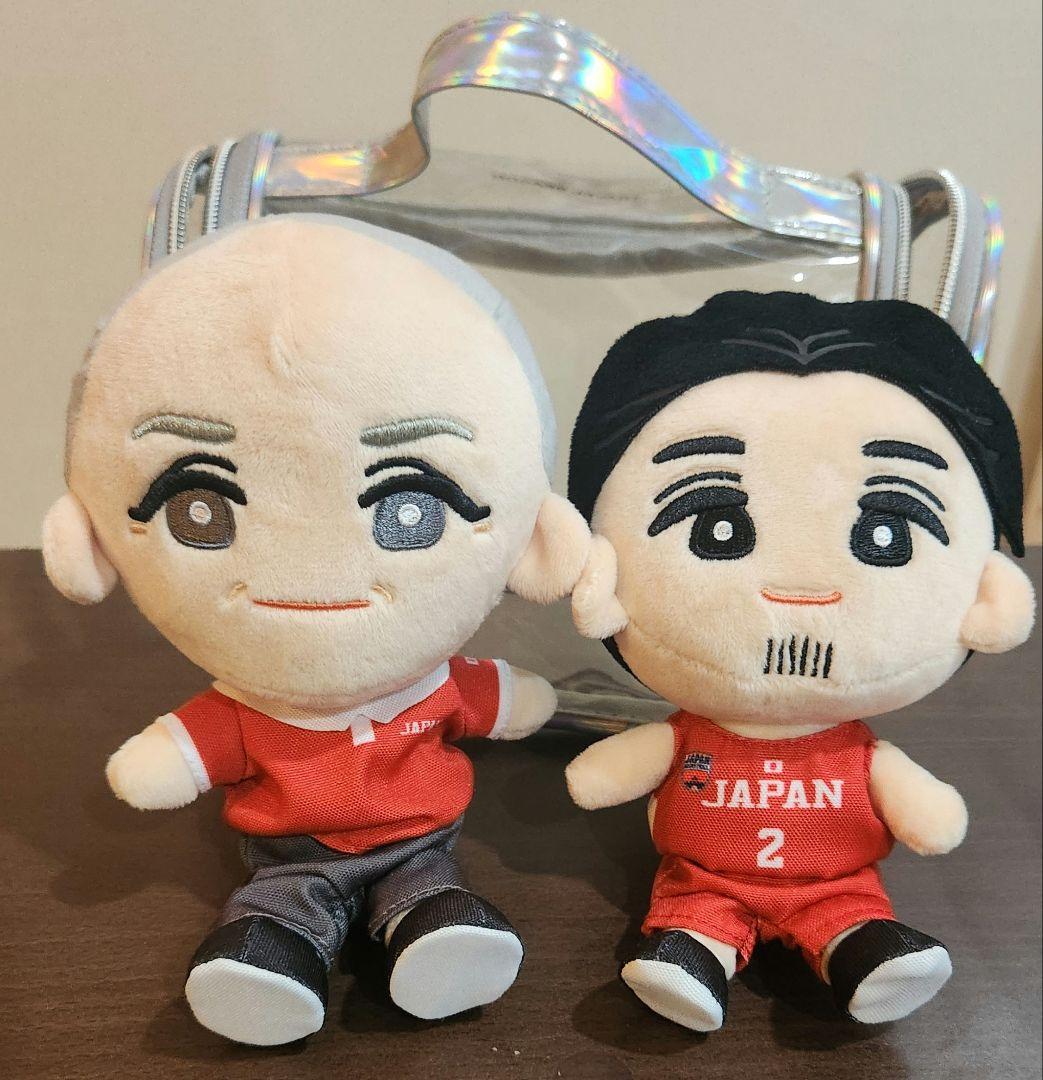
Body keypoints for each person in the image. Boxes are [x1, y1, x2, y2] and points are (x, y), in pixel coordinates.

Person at [42, 215, 588, 1045]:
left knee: (429, 892)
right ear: (88, 542)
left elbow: (507, 700)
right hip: (291, 852)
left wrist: (523, 700)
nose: (309, 572)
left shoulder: (436, 685)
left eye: (410, 508)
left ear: (532, 537)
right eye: (200, 509)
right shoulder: (243, 709)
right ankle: (270, 958)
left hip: (418, 842)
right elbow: (168, 761)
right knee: (280, 906)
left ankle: (431, 931)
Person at [564, 291, 1035, 1031]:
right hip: (704, 881)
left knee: (849, 915)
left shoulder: (859, 752)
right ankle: (690, 959)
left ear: (991, 599)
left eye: (886, 534)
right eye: (717, 526)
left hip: (836, 883)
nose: (801, 593)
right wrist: (599, 772)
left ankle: (865, 954)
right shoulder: (688, 736)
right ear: (598, 579)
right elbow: (598, 779)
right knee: (694, 918)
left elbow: (932, 822)